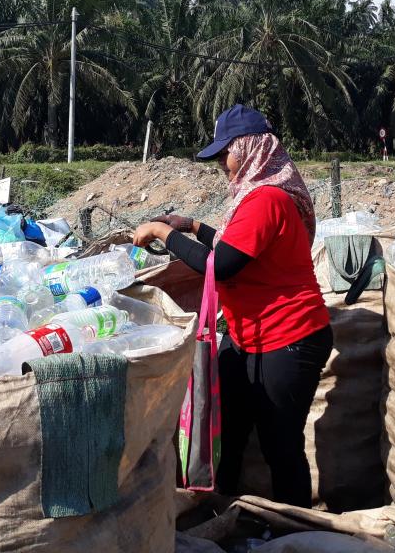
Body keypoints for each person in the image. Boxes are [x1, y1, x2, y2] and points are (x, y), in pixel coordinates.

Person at [132, 104, 331, 507]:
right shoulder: (255, 197)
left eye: (227, 151)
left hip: (289, 336)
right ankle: (220, 510)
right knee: (228, 430)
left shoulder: (267, 200)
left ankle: (292, 531)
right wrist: (189, 226)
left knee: (281, 446)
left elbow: (221, 264)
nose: (223, 162)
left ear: (252, 147)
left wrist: (161, 232)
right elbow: (230, 243)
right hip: (247, 336)